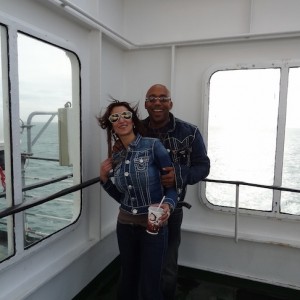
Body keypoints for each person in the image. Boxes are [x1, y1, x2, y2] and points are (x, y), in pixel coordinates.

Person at [97, 100, 178, 300]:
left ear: (133, 120)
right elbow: (121, 196)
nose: (121, 120)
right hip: (125, 225)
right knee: (128, 278)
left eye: (126, 115)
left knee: (150, 282)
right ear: (111, 124)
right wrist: (104, 179)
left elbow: (172, 186)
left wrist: (168, 205)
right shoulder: (116, 156)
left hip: (153, 224)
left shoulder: (153, 146)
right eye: (115, 117)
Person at [143, 84, 210, 300]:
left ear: (170, 103)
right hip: (138, 208)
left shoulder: (190, 132)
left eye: (163, 98)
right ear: (146, 104)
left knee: (167, 267)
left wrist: (178, 175)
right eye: (152, 98)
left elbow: (203, 166)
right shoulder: (135, 131)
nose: (157, 102)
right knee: (138, 262)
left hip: (171, 210)